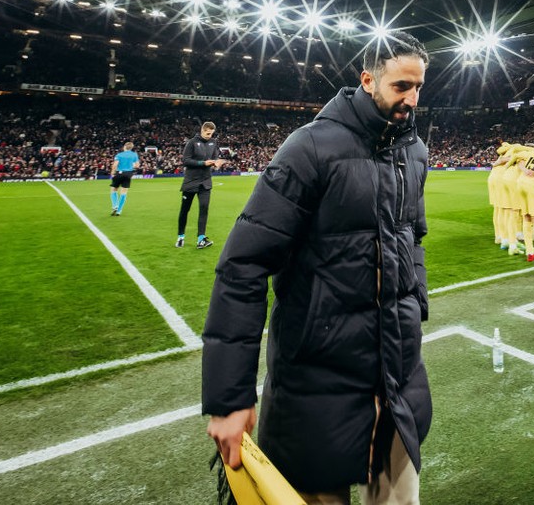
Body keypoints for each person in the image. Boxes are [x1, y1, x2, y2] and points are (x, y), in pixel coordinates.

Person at [202, 31, 431, 503]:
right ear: (369, 80)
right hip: (317, 383)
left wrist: (414, 304)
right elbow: (242, 266)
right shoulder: (309, 148)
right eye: (401, 87)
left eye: (418, 87)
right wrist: (229, 399)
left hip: (398, 378)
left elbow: (414, 236)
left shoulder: (415, 152)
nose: (411, 99)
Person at [176, 121, 226, 249]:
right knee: (185, 210)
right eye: (208, 133)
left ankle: (201, 239)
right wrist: (203, 163)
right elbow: (185, 161)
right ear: (202, 130)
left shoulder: (213, 143)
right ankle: (181, 236)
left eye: (211, 133)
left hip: (205, 182)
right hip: (191, 182)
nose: (209, 135)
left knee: (204, 209)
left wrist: (217, 163)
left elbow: (214, 158)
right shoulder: (192, 142)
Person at [109, 141, 140, 216]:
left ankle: (115, 205)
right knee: (124, 192)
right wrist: (131, 165)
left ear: (125, 146)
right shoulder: (134, 155)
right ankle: (119, 211)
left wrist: (112, 172)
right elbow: (137, 166)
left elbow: (115, 165)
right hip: (128, 174)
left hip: (119, 173)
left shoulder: (119, 155)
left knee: (114, 189)